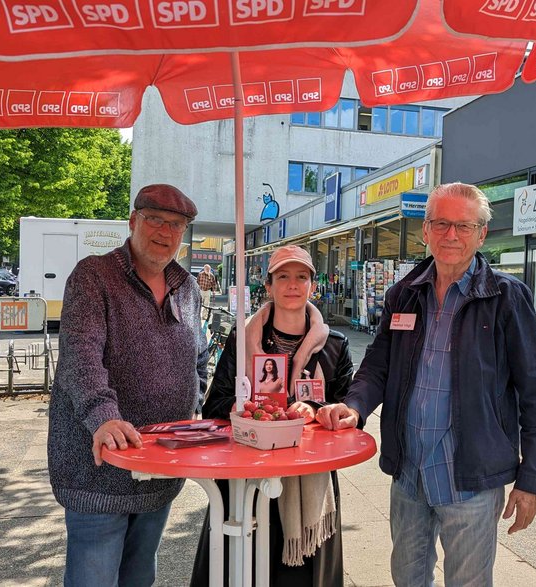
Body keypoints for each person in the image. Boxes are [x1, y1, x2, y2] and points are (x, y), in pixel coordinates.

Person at [317, 182, 536, 587]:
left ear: (482, 234)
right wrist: (354, 406)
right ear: (425, 230)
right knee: (407, 576)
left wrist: (532, 479)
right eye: (441, 223)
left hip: (469, 473)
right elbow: (379, 364)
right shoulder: (404, 295)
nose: (451, 235)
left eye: (464, 226)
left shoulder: (506, 297)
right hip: (409, 469)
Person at [48, 184, 208, 587]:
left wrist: (194, 401)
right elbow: (79, 358)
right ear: (133, 221)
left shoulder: (187, 288)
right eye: (155, 219)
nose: (165, 231)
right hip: (101, 466)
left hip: (160, 465)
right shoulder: (94, 275)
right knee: (94, 580)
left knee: (139, 577)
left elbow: (199, 358)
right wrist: (103, 417)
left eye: (177, 224)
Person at [191, 245, 354, 587]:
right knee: (242, 567)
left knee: (300, 577)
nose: (292, 284)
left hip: (307, 476)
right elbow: (214, 403)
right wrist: (242, 409)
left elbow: (347, 410)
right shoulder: (243, 338)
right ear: (268, 286)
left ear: (313, 285)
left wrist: (316, 411)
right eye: (283, 276)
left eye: (301, 277)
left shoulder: (335, 346)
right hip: (246, 476)